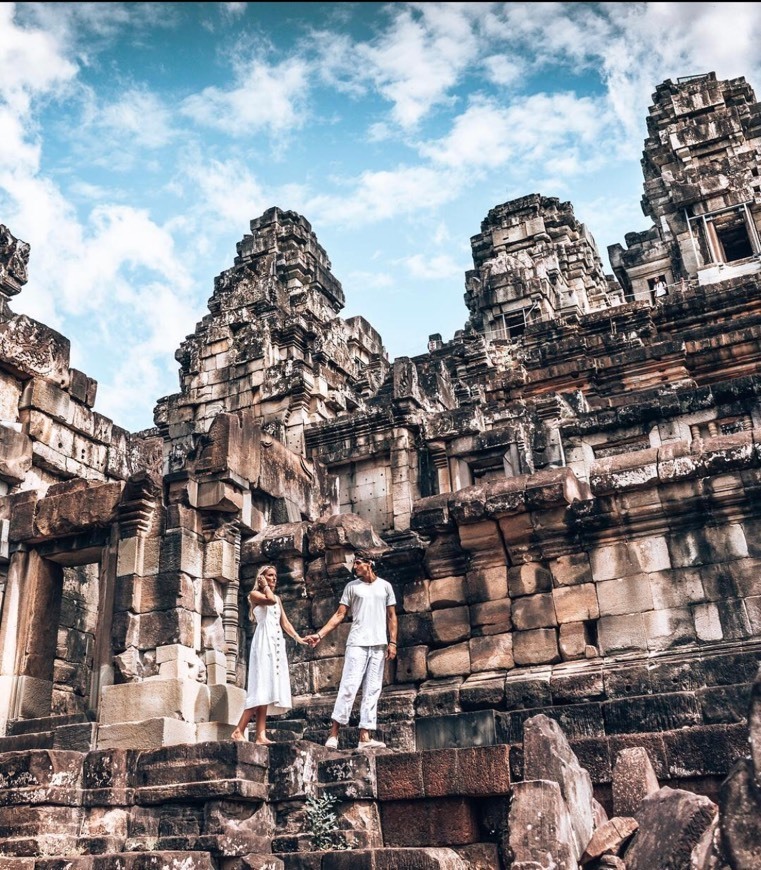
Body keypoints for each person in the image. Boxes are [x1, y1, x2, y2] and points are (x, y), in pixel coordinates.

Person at [305, 553, 397, 750]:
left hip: (379, 644)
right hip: (357, 642)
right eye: (354, 563)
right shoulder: (352, 587)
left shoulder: (385, 586)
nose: (354, 567)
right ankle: (333, 734)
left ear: (369, 564)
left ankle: (365, 736)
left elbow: (392, 616)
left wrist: (393, 642)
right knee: (349, 686)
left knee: (372, 690)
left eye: (358, 563)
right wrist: (319, 635)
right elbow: (340, 614)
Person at [232, 564, 307, 744]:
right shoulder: (255, 595)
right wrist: (264, 586)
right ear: (262, 577)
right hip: (264, 642)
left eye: (275, 576)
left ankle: (260, 735)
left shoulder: (278, 599)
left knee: (266, 689)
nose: (274, 579)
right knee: (260, 687)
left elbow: (285, 623)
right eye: (270, 576)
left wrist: (299, 638)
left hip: (276, 644)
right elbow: (271, 600)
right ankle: (238, 730)